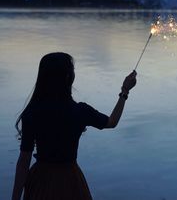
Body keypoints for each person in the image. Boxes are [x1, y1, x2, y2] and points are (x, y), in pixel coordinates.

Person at [12, 52, 137, 200]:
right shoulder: (80, 111)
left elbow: (24, 160)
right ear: (68, 78)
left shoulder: (32, 112)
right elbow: (112, 122)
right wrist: (124, 91)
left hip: (40, 180)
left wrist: (15, 197)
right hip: (71, 181)